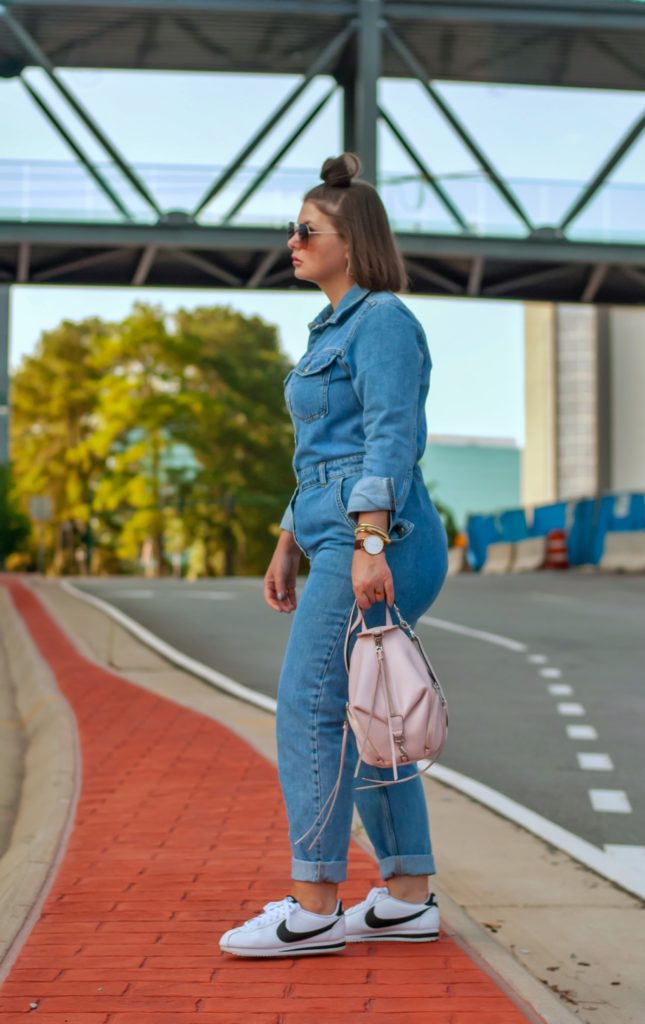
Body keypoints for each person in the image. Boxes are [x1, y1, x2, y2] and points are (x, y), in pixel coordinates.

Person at [219, 152, 449, 958]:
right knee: (362, 710)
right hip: (328, 534)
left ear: (349, 240)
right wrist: (288, 539)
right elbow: (319, 452)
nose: (291, 241)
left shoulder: (382, 320)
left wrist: (367, 542)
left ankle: (312, 903)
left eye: (305, 230)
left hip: (384, 538)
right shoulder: (330, 327)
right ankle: (407, 894)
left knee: (311, 707)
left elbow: (390, 438)